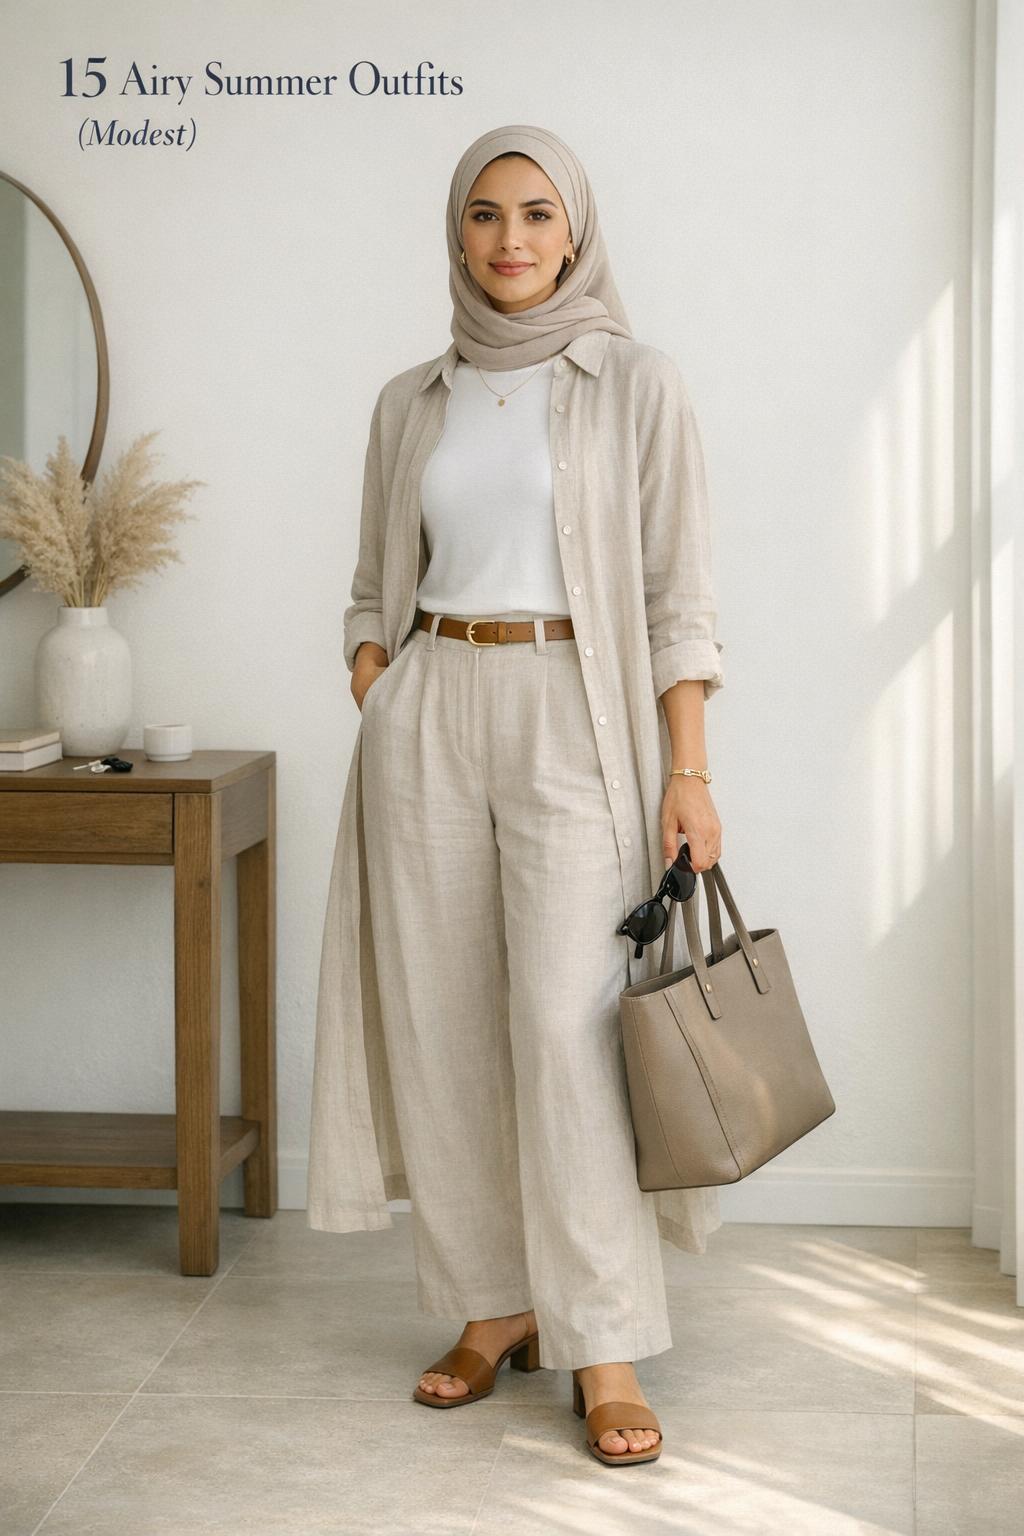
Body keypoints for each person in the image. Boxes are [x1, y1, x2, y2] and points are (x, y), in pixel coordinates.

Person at [308, 123, 725, 1467]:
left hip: (574, 711)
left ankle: (602, 1340)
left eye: (539, 213)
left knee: (565, 1027)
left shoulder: (633, 382)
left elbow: (677, 598)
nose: (511, 240)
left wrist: (688, 771)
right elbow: (374, 581)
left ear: (576, 228)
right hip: (431, 708)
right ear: (458, 232)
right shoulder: (412, 400)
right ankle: (495, 1306)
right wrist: (377, 675)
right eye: (486, 214)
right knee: (444, 1024)